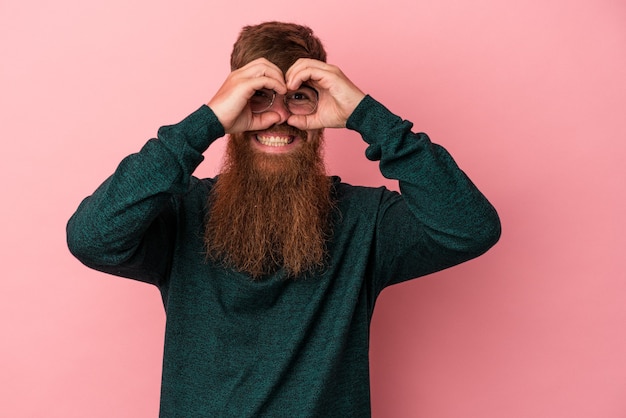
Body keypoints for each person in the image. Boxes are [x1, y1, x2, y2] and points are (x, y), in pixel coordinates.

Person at [67, 21, 501, 417]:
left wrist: (369, 116)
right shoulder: (183, 211)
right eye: (258, 96)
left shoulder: (366, 221)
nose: (278, 116)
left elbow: (470, 228)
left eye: (298, 98)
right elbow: (92, 237)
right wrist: (205, 123)